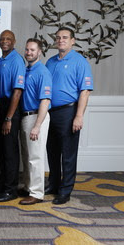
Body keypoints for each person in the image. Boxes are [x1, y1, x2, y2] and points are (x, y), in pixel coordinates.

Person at [45, 27, 94, 205]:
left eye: (65, 37)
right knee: (52, 151)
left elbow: (85, 91)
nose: (61, 40)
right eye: (58, 37)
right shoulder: (50, 62)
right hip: (50, 112)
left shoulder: (80, 62)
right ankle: (54, 184)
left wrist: (79, 116)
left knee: (68, 154)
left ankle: (65, 191)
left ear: (72, 41)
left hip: (69, 111)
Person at [19, 38, 52, 205]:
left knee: (35, 157)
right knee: (26, 156)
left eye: (32, 50)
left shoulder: (42, 71)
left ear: (39, 52)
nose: (29, 53)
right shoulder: (26, 70)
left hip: (37, 116)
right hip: (25, 116)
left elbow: (45, 100)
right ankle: (29, 187)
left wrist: (37, 126)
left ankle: (37, 193)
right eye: (27, 50)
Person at [0, 30, 26, 202]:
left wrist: (8, 118)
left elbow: (17, 91)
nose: (4, 41)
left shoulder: (17, 60)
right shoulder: (0, 61)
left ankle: (11, 189)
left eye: (8, 39)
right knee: (1, 148)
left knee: (10, 150)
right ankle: (3, 182)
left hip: (11, 107)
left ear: (14, 42)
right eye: (2, 39)